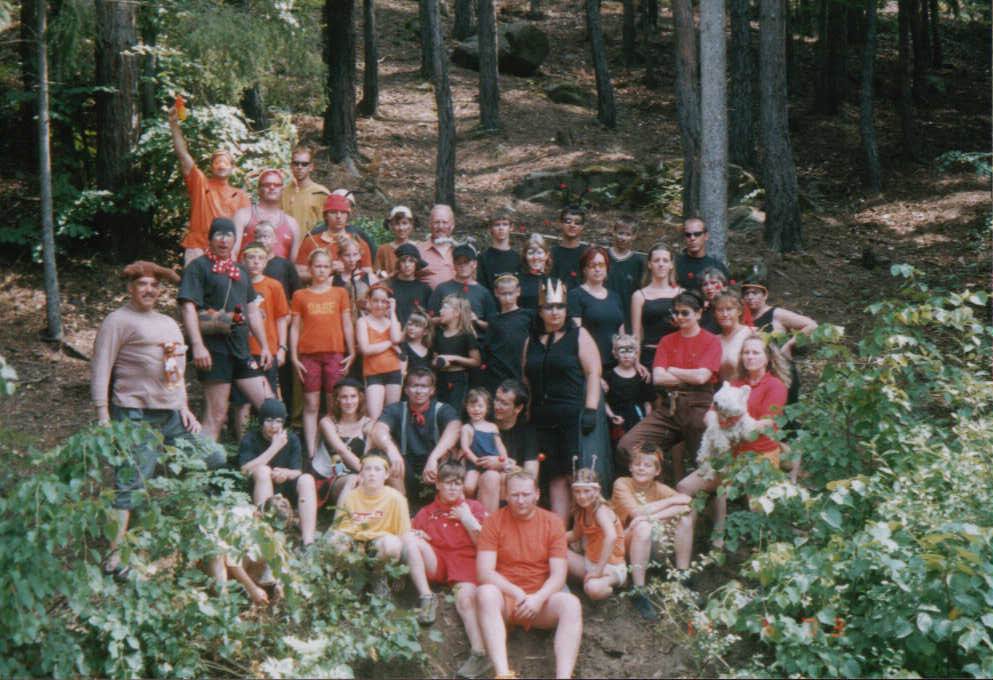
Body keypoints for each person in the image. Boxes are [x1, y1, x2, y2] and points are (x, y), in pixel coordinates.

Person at [93, 260, 227, 577]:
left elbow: (175, 369)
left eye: (154, 285)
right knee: (131, 482)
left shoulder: (168, 322)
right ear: (130, 288)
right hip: (135, 414)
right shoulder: (117, 320)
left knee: (213, 456)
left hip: (172, 415)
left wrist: (184, 406)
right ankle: (114, 556)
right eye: (142, 284)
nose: (149, 290)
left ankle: (191, 526)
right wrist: (102, 414)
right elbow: (101, 366)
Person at [673, 334, 790, 569]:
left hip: (759, 458)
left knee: (759, 508)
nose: (750, 357)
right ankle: (683, 567)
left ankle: (765, 565)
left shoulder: (775, 386)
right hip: (728, 456)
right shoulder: (734, 383)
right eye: (746, 352)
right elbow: (710, 414)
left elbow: (765, 425)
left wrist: (731, 422)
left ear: (767, 357)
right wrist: (717, 422)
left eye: (756, 352)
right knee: (685, 487)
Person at [476, 470, 582, 680]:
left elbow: (559, 575)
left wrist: (538, 598)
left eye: (526, 494)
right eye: (515, 495)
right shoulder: (493, 521)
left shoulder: (553, 522)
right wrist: (516, 593)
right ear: (506, 495)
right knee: (485, 592)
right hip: (507, 599)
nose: (520, 500)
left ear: (537, 494)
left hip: (540, 602)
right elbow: (484, 572)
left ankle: (564, 676)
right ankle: (503, 674)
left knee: (571, 604)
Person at [178, 217, 272, 441]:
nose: (223, 240)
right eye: (218, 234)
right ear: (210, 239)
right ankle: (201, 462)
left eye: (228, 235)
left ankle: (265, 456)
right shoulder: (198, 267)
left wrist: (265, 346)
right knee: (217, 415)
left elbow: (252, 311)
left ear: (235, 240)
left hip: (242, 350)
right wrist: (197, 345)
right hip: (214, 350)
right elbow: (188, 307)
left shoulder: (241, 270)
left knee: (271, 407)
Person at [617, 291, 721, 481]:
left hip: (699, 406)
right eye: (676, 313)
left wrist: (672, 369)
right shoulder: (667, 341)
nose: (679, 317)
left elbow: (701, 378)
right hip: (670, 408)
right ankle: (663, 486)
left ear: (698, 313)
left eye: (685, 313)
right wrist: (688, 375)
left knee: (705, 462)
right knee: (628, 445)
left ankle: (706, 499)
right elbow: (658, 378)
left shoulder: (711, 340)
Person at [523, 278, 602, 521]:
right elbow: (526, 376)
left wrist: (591, 409)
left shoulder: (578, 335)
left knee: (576, 475)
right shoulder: (531, 340)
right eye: (549, 307)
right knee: (554, 475)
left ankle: (588, 529)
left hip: (572, 416)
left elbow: (593, 372)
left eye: (559, 306)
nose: (554, 312)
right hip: (542, 418)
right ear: (540, 311)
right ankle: (560, 532)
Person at [405, 461, 490, 665]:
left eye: (458, 483)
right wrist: (419, 536)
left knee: (465, 601)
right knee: (409, 538)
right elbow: (412, 539)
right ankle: (427, 597)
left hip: (466, 564)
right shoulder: (427, 512)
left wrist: (467, 519)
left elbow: (485, 545)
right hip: (438, 561)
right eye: (448, 483)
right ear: (438, 484)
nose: (453, 488)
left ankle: (479, 652)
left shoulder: (474, 507)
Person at [325, 452, 424, 604]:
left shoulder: (396, 498)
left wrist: (401, 573)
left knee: (392, 544)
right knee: (335, 540)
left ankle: (379, 578)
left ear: (386, 475)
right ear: (361, 473)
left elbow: (404, 535)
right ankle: (354, 577)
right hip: (355, 547)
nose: (372, 473)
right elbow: (338, 529)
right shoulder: (351, 496)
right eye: (368, 469)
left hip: (379, 548)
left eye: (377, 469)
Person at [611, 444, 691, 620]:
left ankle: (683, 577)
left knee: (685, 519)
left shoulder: (659, 488)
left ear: (657, 471)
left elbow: (687, 504)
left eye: (647, 465)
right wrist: (669, 503)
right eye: (637, 464)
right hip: (623, 545)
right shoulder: (622, 483)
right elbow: (636, 512)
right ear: (630, 467)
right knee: (643, 527)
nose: (641, 468)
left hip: (651, 546)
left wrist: (650, 517)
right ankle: (638, 589)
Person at [290, 249, 355, 457]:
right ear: (310, 269)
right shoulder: (300, 295)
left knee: (333, 403)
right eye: (317, 266)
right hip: (309, 355)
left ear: (331, 269)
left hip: (335, 353)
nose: (321, 270)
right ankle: (311, 453)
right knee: (311, 404)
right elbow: (294, 328)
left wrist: (352, 351)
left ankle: (332, 452)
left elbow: (347, 323)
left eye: (326, 266)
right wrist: (293, 356)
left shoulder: (340, 293)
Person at [168, 105, 250, 265]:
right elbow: (183, 156)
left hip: (226, 251)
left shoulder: (240, 196)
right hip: (198, 247)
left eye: (225, 162)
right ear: (212, 167)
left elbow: (245, 230)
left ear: (232, 168)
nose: (221, 165)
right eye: (217, 162)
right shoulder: (200, 184)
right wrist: (173, 125)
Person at [238, 398, 318, 546]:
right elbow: (244, 470)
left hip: (285, 490)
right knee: (263, 471)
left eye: (278, 421)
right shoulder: (250, 438)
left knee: (307, 479)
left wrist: (286, 473)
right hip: (259, 490)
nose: (274, 426)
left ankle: (308, 541)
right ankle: (267, 537)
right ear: (261, 421)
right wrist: (274, 448)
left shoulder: (292, 439)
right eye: (269, 420)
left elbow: (297, 471)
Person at [371, 367, 462, 497]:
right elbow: (378, 430)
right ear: (406, 390)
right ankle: (402, 505)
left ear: (432, 390)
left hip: (434, 466)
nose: (419, 391)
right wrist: (391, 450)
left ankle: (443, 505)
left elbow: (455, 428)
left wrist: (434, 457)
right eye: (414, 386)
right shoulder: (395, 409)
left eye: (424, 386)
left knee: (450, 453)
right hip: (405, 466)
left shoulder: (443, 409)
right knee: (387, 460)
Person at [232, 241, 289, 441]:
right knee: (242, 402)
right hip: (242, 350)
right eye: (251, 257)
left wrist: (282, 348)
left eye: (260, 258)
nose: (255, 262)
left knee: (269, 399)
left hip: (267, 351)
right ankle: (242, 444)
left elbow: (282, 318)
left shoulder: (274, 285)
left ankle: (273, 442)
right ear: (242, 260)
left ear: (266, 262)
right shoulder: (236, 283)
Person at [741, 274, 817, 405]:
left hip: (782, 370)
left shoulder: (776, 314)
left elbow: (811, 325)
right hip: (757, 373)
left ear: (765, 295)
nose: (750, 297)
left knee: (785, 410)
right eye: (747, 293)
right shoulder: (742, 317)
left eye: (755, 293)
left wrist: (789, 344)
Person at [565, 467, 627, 600]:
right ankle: (581, 585)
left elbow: (611, 537)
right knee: (558, 553)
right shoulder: (580, 511)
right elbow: (575, 535)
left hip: (611, 566)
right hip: (590, 563)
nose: (582, 496)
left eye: (586, 491)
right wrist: (549, 538)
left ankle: (613, 588)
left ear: (597, 490)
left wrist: (598, 571)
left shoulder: (600, 510)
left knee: (593, 588)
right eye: (577, 491)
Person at [568, 246, 627, 370]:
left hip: (616, 366)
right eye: (592, 265)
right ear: (584, 269)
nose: (597, 269)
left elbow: (622, 334)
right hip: (588, 366)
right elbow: (576, 337)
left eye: (601, 265)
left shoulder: (615, 297)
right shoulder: (575, 296)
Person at [314, 378, 369, 509]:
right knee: (354, 479)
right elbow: (341, 450)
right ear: (337, 399)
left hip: (360, 476)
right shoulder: (327, 422)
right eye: (344, 397)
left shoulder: (368, 423)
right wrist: (369, 473)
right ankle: (340, 520)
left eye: (353, 396)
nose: (349, 402)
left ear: (360, 398)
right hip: (328, 479)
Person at [295, 194, 373, 283]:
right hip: (320, 290)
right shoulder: (310, 241)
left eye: (343, 212)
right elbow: (299, 274)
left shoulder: (358, 243)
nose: (338, 216)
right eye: (333, 212)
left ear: (348, 216)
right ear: (325, 216)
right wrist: (328, 269)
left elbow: (368, 276)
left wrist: (348, 269)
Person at [631, 242, 682, 369]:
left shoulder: (681, 294)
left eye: (665, 260)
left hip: (677, 355)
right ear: (649, 264)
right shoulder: (639, 296)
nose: (661, 264)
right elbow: (636, 334)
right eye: (656, 260)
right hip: (650, 356)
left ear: (671, 265)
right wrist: (636, 362)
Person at [460, 388, 511, 513]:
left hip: (493, 462)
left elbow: (500, 445)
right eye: (472, 406)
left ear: (487, 408)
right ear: (466, 407)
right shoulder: (467, 428)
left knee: (506, 480)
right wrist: (476, 461)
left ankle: (501, 509)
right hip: (475, 463)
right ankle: (471, 507)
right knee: (469, 486)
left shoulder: (493, 427)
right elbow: (465, 448)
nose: (476, 409)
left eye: (480, 406)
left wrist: (504, 459)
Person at [481, 274, 533, 395]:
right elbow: (487, 347)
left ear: (518, 291)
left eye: (511, 293)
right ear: (496, 293)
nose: (508, 298)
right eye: (503, 294)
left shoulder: (528, 316)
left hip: (520, 371)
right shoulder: (493, 320)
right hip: (497, 373)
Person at [357, 284, 403, 419]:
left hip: (394, 370)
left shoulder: (392, 322)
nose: (379, 305)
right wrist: (389, 343)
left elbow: (396, 338)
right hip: (373, 372)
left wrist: (393, 312)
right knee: (374, 416)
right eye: (375, 300)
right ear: (369, 301)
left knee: (392, 416)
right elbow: (366, 349)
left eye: (384, 301)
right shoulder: (362, 321)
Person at [427, 244, 497, 333]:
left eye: (466, 262)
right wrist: (445, 317)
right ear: (453, 265)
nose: (462, 266)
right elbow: (428, 321)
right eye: (459, 263)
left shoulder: (483, 292)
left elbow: (494, 327)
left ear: (474, 264)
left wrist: (476, 321)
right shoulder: (442, 289)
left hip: (475, 340)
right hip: (446, 339)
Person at [234, 169, 301, 260]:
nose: (272, 187)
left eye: (277, 185)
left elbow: (294, 263)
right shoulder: (243, 215)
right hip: (246, 268)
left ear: (282, 190)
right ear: (258, 189)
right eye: (267, 185)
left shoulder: (292, 223)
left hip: (279, 269)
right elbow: (232, 254)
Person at [433, 295, 482, 414]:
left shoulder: (466, 335)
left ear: (456, 313)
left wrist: (453, 358)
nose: (440, 311)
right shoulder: (439, 334)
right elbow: (435, 358)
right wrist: (438, 362)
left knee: (454, 413)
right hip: (440, 378)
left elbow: (476, 361)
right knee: (439, 411)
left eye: (444, 308)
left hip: (458, 379)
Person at [604, 334, 656, 444]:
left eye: (630, 351)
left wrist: (646, 422)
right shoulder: (608, 376)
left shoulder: (642, 375)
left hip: (637, 419)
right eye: (622, 351)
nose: (626, 355)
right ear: (615, 354)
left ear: (636, 354)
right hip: (616, 420)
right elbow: (604, 401)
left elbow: (647, 402)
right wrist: (612, 416)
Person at [493, 380, 540, 480]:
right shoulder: (483, 425)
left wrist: (503, 465)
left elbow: (532, 475)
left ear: (518, 408)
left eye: (504, 403)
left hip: (515, 483)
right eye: (496, 399)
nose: (496, 406)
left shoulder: (527, 432)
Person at [281, 145, 331, 237]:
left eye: (304, 164)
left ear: (311, 167)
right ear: (291, 166)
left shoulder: (320, 193)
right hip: (286, 243)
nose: (300, 167)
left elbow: (327, 226)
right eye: (296, 163)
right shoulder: (283, 192)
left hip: (310, 244)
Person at [606, 217, 646, 330]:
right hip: (604, 311)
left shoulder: (638, 261)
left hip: (627, 315)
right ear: (613, 232)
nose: (623, 238)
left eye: (628, 234)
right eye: (620, 233)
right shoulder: (604, 255)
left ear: (634, 236)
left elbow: (639, 291)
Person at [675, 218, 729, 292]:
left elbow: (728, 294)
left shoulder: (718, 267)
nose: (692, 238)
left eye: (697, 234)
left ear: (706, 236)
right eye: (688, 235)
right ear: (684, 238)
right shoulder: (675, 266)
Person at [387, 243, 432, 326]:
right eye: (403, 261)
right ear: (398, 264)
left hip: (418, 331)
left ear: (416, 264)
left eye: (411, 261)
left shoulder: (425, 289)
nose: (407, 265)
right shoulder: (389, 287)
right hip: (394, 330)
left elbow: (429, 317)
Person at [476, 211, 522, 292]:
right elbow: (481, 288)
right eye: (497, 225)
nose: (501, 228)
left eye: (505, 224)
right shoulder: (483, 258)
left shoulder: (518, 258)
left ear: (511, 227)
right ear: (490, 228)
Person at [713, 290, 752, 381]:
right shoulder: (714, 340)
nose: (725, 314)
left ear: (739, 311)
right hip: (722, 388)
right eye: (720, 310)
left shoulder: (750, 333)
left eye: (729, 309)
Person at [549, 206, 588, 292]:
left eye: (577, 223)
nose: (572, 225)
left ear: (582, 227)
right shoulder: (551, 253)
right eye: (568, 221)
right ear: (560, 224)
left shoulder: (588, 254)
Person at [418, 204, 457, 290]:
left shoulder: (460, 250)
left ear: (452, 225)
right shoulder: (419, 251)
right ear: (430, 224)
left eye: (445, 222)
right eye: (436, 222)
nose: (440, 226)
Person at [374, 205, 416, 278]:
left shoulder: (418, 247)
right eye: (397, 224)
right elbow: (377, 274)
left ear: (411, 225)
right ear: (391, 226)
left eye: (404, 223)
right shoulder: (384, 250)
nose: (401, 228)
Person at [519, 233, 552, 311]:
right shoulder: (518, 282)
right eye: (531, 253)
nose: (535, 257)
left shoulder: (554, 281)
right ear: (525, 256)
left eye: (539, 252)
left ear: (547, 255)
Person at [399, 310, 434, 375]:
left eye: (417, 326)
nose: (411, 328)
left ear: (425, 332)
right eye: (410, 324)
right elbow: (402, 372)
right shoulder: (403, 347)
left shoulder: (430, 349)